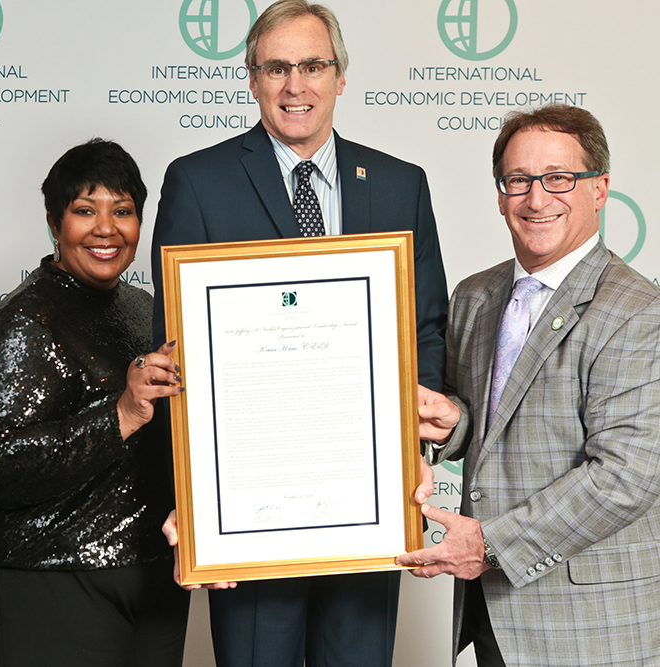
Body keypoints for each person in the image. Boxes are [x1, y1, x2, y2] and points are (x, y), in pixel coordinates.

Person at [151, 2, 447, 666]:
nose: (295, 86)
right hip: (249, 508)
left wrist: (410, 442)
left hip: (369, 500)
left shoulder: (400, 185)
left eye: (313, 66)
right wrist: (200, 497)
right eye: (276, 68)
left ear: (340, 76)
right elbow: (178, 349)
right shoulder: (197, 182)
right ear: (252, 79)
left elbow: (425, 329)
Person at [396, 105, 660, 666]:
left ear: (599, 189)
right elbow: (497, 423)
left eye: (558, 178)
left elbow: (627, 475)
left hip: (591, 625)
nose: (536, 199)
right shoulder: (475, 295)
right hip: (492, 615)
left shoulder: (639, 311)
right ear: (500, 195)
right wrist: (455, 424)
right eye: (518, 180)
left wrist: (489, 544)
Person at [0, 138, 191, 667]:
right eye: (85, 211)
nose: (106, 229)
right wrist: (120, 416)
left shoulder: (145, 309)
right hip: (42, 577)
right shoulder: (20, 323)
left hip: (150, 574)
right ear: (53, 223)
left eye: (122, 211)